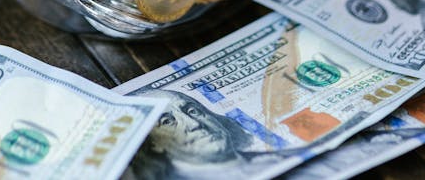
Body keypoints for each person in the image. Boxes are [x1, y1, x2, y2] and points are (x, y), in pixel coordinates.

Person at [127, 91, 299, 180]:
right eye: (167, 122)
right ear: (154, 144)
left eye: (192, 111)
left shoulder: (284, 156)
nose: (194, 124)